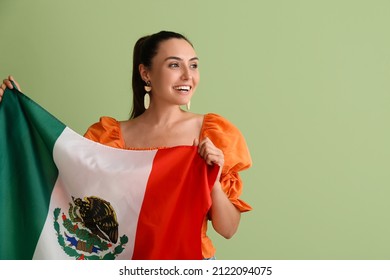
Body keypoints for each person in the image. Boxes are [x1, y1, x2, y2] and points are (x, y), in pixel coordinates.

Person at [0, 30, 252, 259]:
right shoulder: (107, 138)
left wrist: (215, 178)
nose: (188, 75)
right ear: (146, 73)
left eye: (193, 65)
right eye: (174, 65)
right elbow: (61, 188)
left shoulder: (214, 134)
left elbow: (228, 229)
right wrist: (18, 119)